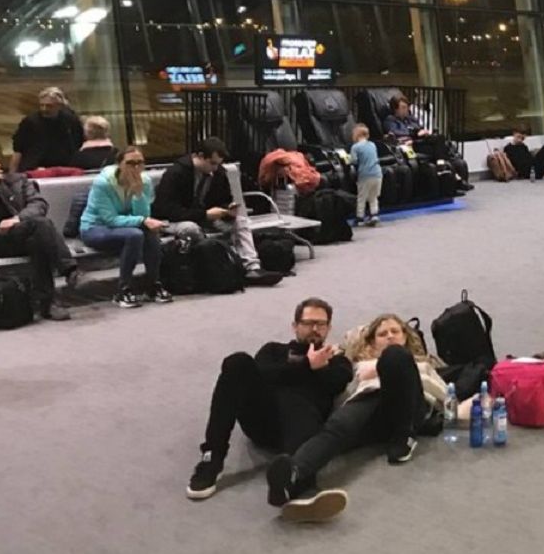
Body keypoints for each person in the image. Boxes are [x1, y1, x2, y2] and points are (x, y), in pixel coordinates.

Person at [187, 298, 354, 522]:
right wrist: (307, 366)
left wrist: (319, 367)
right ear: (295, 326)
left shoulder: (337, 360)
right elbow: (262, 374)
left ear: (329, 328)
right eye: (308, 323)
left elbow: (337, 382)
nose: (315, 329)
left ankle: (297, 482)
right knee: (237, 362)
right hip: (264, 421)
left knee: (296, 400)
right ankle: (212, 459)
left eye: (321, 324)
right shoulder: (274, 350)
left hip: (302, 428)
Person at [266, 313, 447, 512]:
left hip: (408, 408)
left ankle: (404, 438)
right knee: (337, 427)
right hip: (370, 406)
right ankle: (292, 477)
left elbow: (444, 395)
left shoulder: (422, 365)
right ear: (372, 343)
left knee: (395, 356)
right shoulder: (358, 365)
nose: (389, 336)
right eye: (382, 334)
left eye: (395, 331)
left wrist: (384, 369)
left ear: (405, 336)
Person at [152, 137, 279, 284]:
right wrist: (204, 214)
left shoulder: (218, 173)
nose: (215, 168)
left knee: (240, 222)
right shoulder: (176, 173)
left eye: (218, 164)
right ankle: (207, 268)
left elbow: (224, 199)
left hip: (205, 217)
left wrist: (227, 211)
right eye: (212, 163)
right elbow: (166, 209)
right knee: (190, 228)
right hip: (172, 221)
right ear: (200, 156)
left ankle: (252, 267)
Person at [79, 146, 168, 308]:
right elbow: (110, 219)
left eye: (140, 163)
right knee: (135, 234)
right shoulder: (103, 183)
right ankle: (123, 289)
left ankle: (153, 284)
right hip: (95, 227)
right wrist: (142, 220)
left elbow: (143, 215)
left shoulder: (145, 181)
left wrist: (138, 193)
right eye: (130, 163)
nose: (136, 167)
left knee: (148, 233)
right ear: (119, 164)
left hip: (126, 227)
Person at [0, 160, 78, 321]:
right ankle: (70, 271)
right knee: (40, 227)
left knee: (37, 238)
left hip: (20, 233)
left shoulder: (18, 181)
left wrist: (17, 219)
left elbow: (39, 204)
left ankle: (46, 302)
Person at [384, 96, 471, 191]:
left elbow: (419, 128)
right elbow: (396, 132)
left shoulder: (410, 119)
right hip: (409, 145)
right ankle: (454, 177)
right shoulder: (390, 120)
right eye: (403, 107)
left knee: (439, 138)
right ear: (396, 109)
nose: (407, 109)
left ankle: (443, 167)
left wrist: (423, 132)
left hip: (420, 141)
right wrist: (415, 133)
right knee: (440, 148)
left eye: (407, 107)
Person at [9, 86, 85, 173]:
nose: (44, 109)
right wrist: (12, 173)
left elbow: (79, 143)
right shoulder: (30, 121)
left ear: (59, 106)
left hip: (65, 166)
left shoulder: (70, 120)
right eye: (42, 105)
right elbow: (18, 149)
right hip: (35, 167)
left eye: (49, 106)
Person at [350, 124, 382, 226]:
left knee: (362, 197)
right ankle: (374, 215)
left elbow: (354, 161)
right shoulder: (372, 145)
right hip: (377, 173)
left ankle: (360, 217)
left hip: (365, 174)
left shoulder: (355, 147)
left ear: (356, 135)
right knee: (373, 196)